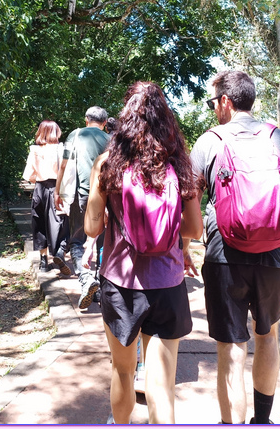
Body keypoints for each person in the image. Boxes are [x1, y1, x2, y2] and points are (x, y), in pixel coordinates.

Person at [189, 70, 280, 425]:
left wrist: (185, 247)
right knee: (268, 334)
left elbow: (191, 204)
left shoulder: (208, 142)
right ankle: (262, 421)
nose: (214, 109)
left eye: (213, 102)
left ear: (226, 102)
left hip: (223, 257)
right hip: (275, 256)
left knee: (231, 349)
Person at [85, 81, 203, 424]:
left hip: (120, 283)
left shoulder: (108, 163)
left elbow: (92, 228)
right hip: (167, 282)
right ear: (165, 119)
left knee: (123, 372)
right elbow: (194, 230)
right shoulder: (180, 165)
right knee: (161, 382)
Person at [54, 106, 110, 308]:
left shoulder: (75, 135)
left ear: (86, 119)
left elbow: (64, 164)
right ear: (104, 123)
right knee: (103, 242)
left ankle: (86, 279)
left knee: (77, 239)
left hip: (81, 195)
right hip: (104, 198)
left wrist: (57, 190)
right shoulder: (110, 140)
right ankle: (101, 289)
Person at [22, 120, 69, 272]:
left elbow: (28, 175)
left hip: (39, 188)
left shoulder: (34, 150)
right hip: (56, 188)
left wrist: (40, 178)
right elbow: (68, 171)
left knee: (39, 223)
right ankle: (59, 253)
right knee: (60, 222)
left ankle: (43, 262)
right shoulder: (62, 149)